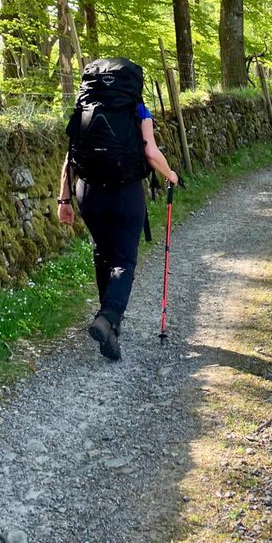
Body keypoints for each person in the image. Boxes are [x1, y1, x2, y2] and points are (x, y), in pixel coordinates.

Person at [57, 58, 178, 361]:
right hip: (125, 191)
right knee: (124, 258)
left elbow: (70, 157)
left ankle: (110, 324)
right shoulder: (137, 108)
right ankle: (108, 316)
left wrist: (64, 201)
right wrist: (170, 174)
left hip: (88, 192)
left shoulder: (84, 105)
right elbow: (150, 151)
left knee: (102, 253)